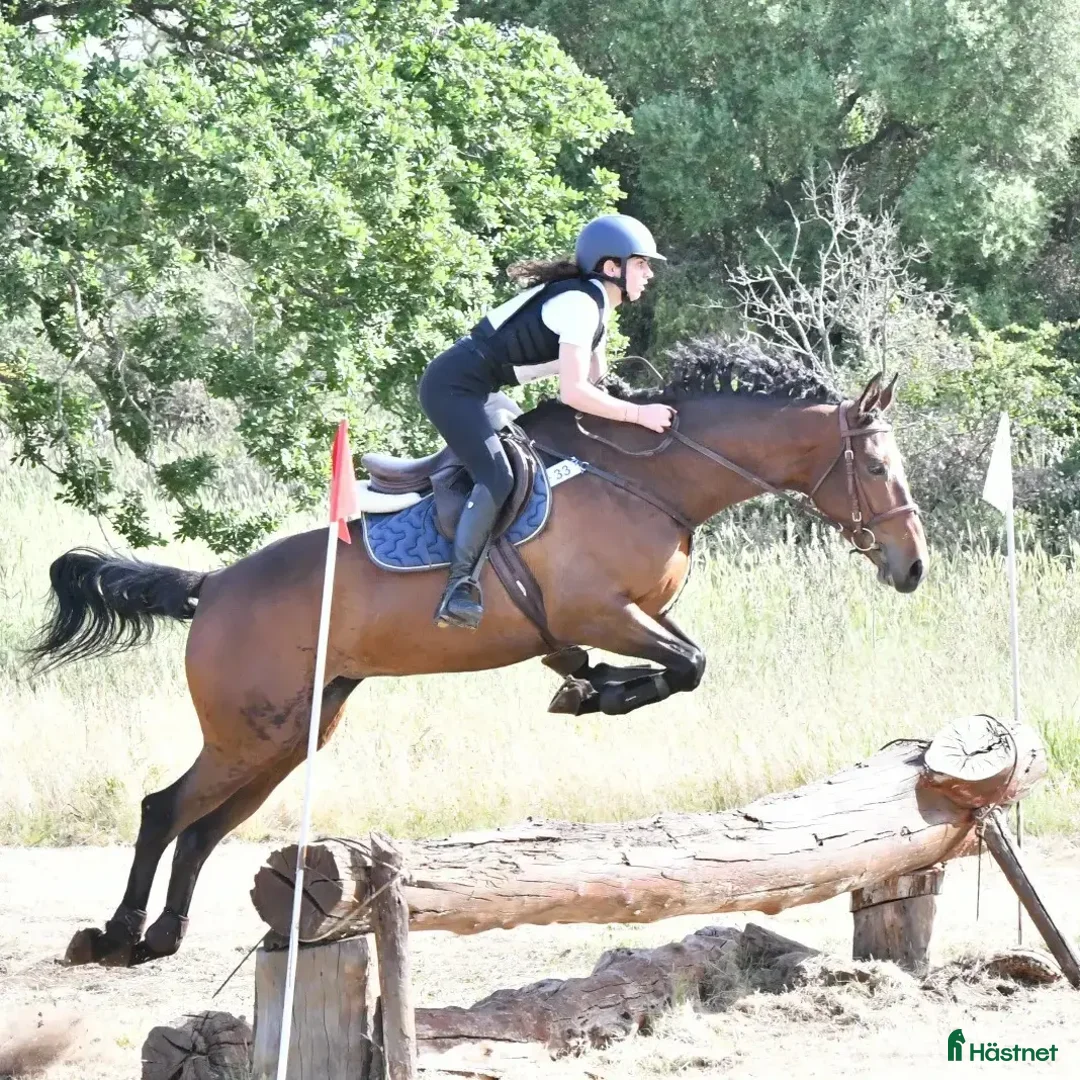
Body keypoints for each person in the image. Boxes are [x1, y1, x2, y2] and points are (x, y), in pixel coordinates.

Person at [419, 213, 676, 631]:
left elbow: (598, 385)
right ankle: (459, 588)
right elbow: (574, 393)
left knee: (536, 460)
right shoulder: (580, 306)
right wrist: (638, 414)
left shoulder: (595, 305)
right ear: (612, 267)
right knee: (498, 476)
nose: (649, 273)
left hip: (481, 391)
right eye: (641, 263)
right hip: (452, 389)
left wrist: (639, 408)